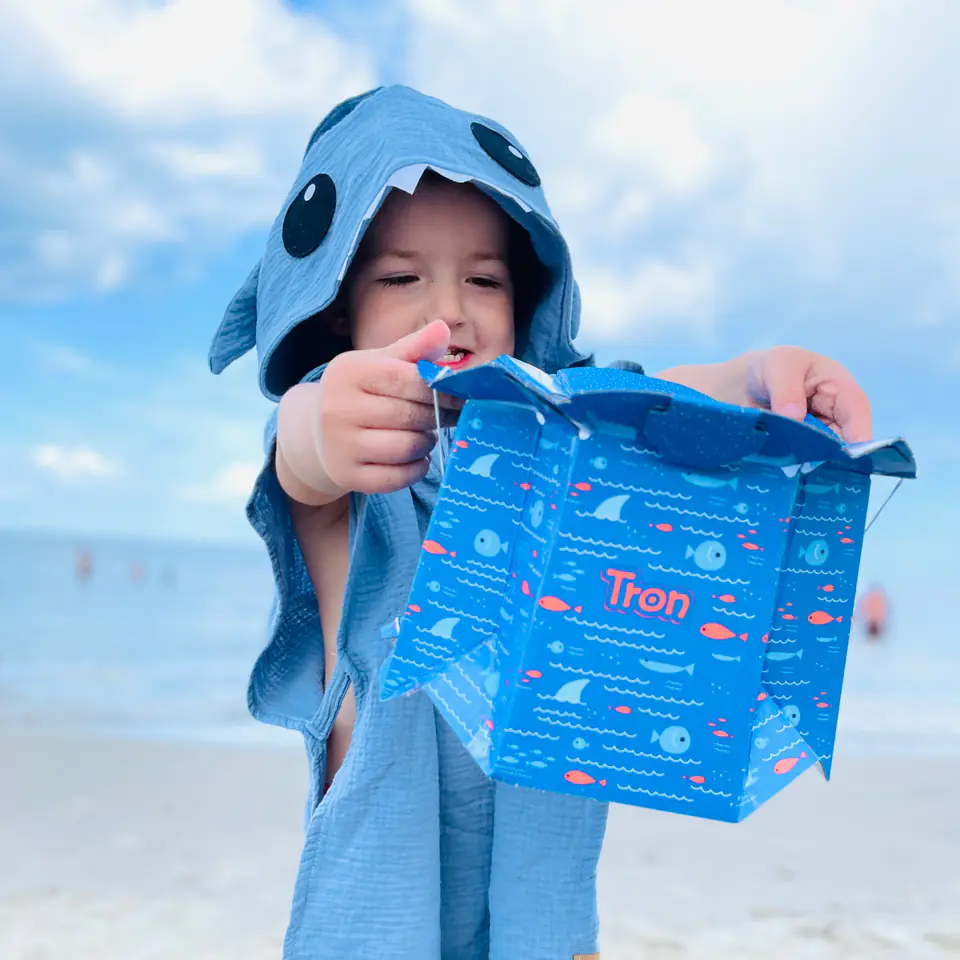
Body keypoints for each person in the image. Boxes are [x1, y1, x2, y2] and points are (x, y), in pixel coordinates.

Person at [209, 85, 873, 959]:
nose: (448, 310)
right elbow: (301, 458)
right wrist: (321, 427)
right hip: (378, 915)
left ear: (526, 304)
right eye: (402, 277)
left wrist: (752, 378)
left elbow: (644, 403)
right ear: (338, 303)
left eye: (484, 279)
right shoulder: (355, 472)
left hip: (544, 914)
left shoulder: (556, 459)